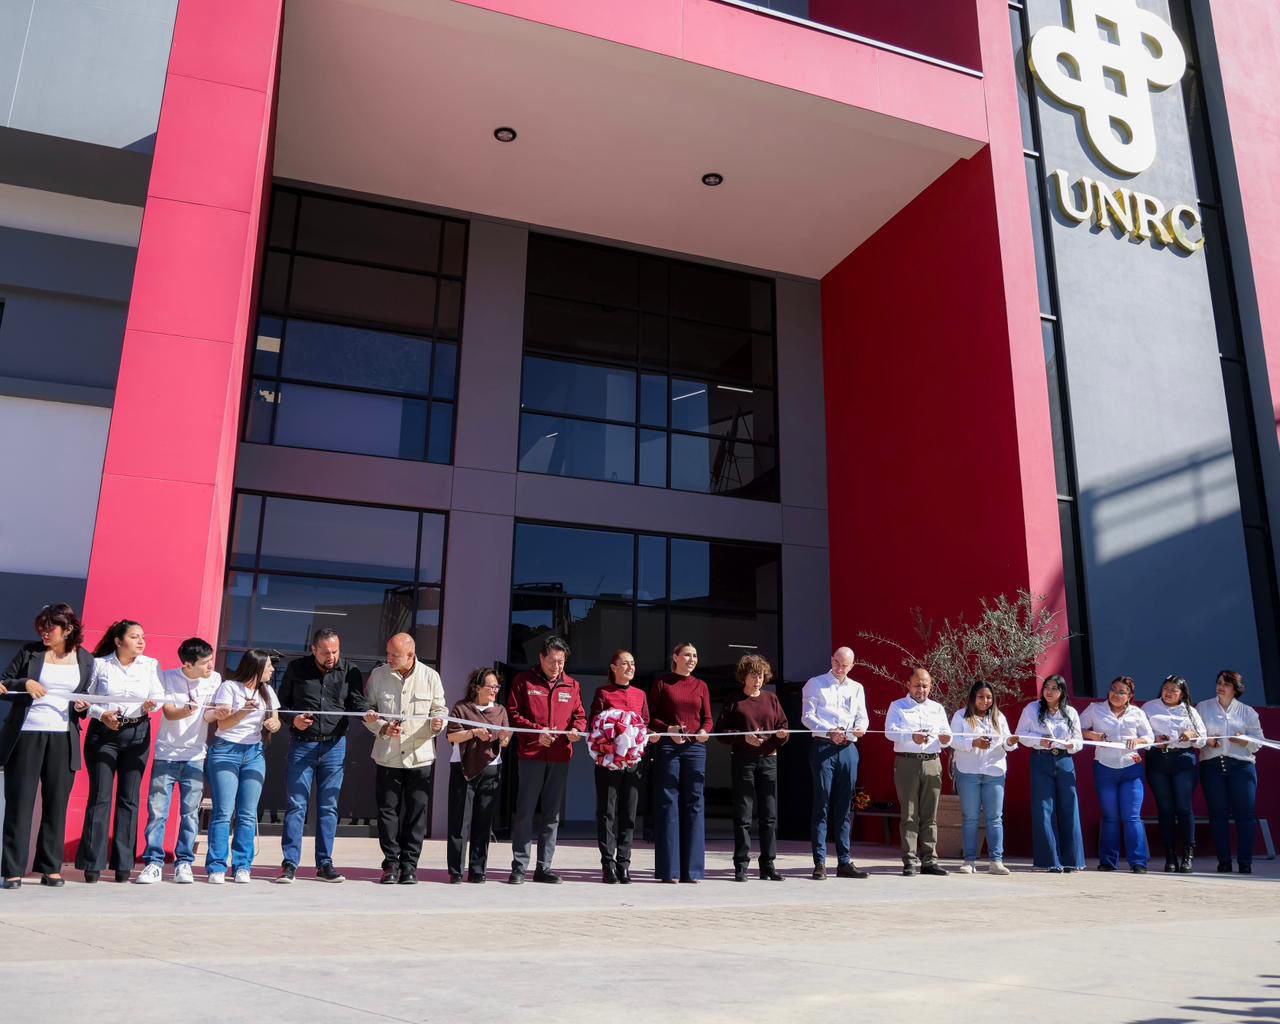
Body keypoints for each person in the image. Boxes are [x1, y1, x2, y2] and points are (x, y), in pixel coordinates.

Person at [1, 604, 94, 889]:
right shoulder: (31, 652)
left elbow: (84, 698)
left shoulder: (85, 658)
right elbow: (4, 683)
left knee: (57, 805)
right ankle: (12, 871)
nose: (43, 632)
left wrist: (82, 707)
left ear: (67, 630)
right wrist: (25, 682)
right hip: (27, 734)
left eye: (50, 627)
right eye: (41, 626)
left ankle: (50, 868)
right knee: (20, 804)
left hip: (63, 737)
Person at [275, 628, 367, 884]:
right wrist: (294, 720)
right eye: (326, 652)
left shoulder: (350, 671)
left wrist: (370, 712)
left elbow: (357, 703)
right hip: (302, 745)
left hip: (335, 746)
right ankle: (290, 864)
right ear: (313, 649)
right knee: (296, 805)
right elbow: (281, 705)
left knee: (329, 807)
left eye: (335, 651)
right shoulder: (296, 669)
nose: (331, 657)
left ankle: (325, 863)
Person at [75, 620, 164, 883]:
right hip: (103, 734)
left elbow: (158, 696)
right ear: (118, 641)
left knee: (129, 798)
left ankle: (123, 864)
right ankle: (92, 864)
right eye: (134, 637)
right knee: (100, 797)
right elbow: (84, 699)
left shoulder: (150, 665)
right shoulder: (100, 664)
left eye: (143, 637)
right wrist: (101, 714)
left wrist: (151, 705)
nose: (141, 641)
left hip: (137, 733)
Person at [136, 637, 222, 885]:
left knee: (190, 814)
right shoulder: (167, 677)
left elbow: (209, 715)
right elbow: (169, 712)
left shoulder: (214, 680)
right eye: (204, 663)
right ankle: (154, 863)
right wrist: (188, 709)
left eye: (210, 661)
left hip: (196, 756)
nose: (210, 667)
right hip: (166, 755)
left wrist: (219, 713)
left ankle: (184, 863)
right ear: (187, 664)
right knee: (158, 813)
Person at [363, 633, 446, 885]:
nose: (389, 658)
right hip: (388, 755)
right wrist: (381, 726)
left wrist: (437, 724)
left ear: (411, 655)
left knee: (416, 813)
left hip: (419, 756)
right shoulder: (378, 675)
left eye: (394, 655)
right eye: (388, 653)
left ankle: (410, 865)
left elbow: (440, 710)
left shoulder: (431, 677)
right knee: (388, 812)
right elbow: (367, 709)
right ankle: (391, 863)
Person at [506, 636, 585, 884]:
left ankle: (544, 867)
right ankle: (519, 866)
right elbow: (513, 714)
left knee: (552, 815)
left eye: (561, 662)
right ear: (541, 658)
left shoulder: (572, 685)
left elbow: (579, 715)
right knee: (525, 812)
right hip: (531, 755)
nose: (557, 666)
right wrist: (536, 731)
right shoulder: (523, 681)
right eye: (552, 661)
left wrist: (576, 731)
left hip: (560, 757)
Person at [204, 649, 280, 883]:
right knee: (224, 812)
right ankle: (217, 866)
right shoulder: (230, 687)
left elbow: (276, 719)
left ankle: (242, 866)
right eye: (268, 666)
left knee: (247, 814)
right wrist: (243, 711)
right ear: (256, 667)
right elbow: (223, 724)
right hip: (226, 750)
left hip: (254, 753)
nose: (272, 670)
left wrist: (273, 724)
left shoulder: (267, 691)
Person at [716, 654, 789, 882]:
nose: (757, 680)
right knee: (743, 813)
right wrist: (743, 738)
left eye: (761, 675)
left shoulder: (771, 699)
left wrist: (780, 737)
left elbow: (783, 726)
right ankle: (741, 864)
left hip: (769, 760)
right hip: (743, 760)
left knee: (769, 814)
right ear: (744, 676)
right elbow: (721, 733)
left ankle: (768, 863)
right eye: (753, 675)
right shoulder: (734, 700)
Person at [800, 646, 870, 880]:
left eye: (845, 665)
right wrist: (828, 731)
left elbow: (862, 716)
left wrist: (860, 729)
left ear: (852, 665)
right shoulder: (815, 683)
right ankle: (820, 862)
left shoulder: (857, 688)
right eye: (837, 663)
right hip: (823, 747)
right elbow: (807, 716)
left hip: (849, 748)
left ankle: (844, 861)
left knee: (844, 806)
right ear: (832, 660)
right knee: (822, 803)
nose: (840, 668)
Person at [649, 641, 713, 883]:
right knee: (669, 803)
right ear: (675, 657)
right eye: (687, 655)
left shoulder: (701, 685)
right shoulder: (662, 683)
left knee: (695, 804)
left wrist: (705, 731)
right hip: (668, 747)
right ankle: (670, 871)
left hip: (695, 749)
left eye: (695, 655)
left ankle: (693, 870)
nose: (692, 659)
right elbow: (651, 717)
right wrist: (669, 728)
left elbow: (707, 719)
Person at [1081, 675, 1154, 872]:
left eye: (1121, 692)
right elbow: (1076, 728)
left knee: (1132, 816)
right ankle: (1107, 861)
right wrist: (1091, 734)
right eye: (1114, 689)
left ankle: (1138, 862)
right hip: (1105, 767)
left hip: (1131, 768)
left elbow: (1149, 737)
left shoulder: (1137, 713)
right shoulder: (1095, 709)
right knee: (1110, 816)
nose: (1116, 694)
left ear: (1129, 696)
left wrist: (1137, 742)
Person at [589, 649, 650, 884]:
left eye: (632, 663)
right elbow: (595, 726)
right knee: (607, 812)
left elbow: (645, 723)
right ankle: (608, 864)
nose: (630, 667)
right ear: (613, 667)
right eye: (625, 663)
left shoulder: (640, 694)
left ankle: (624, 863)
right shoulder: (603, 692)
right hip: (608, 762)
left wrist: (646, 736)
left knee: (629, 813)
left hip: (632, 764)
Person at [885, 668, 952, 876]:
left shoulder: (937, 708)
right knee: (910, 813)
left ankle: (929, 860)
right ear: (908, 685)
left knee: (930, 814)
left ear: (930, 686)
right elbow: (889, 732)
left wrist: (945, 738)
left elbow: (947, 734)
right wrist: (910, 737)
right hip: (908, 762)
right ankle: (910, 860)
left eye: (925, 685)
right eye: (917, 685)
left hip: (932, 762)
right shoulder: (898, 706)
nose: (921, 689)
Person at [446, 668, 511, 883]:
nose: (495, 690)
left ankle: (478, 869)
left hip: (491, 767)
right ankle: (456, 870)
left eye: (496, 687)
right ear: (477, 688)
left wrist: (503, 738)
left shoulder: (500, 710)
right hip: (464, 769)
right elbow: (452, 735)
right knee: (459, 821)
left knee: (483, 822)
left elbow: (506, 738)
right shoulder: (461, 708)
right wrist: (474, 732)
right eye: (491, 686)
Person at [1016, 674, 1085, 872]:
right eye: (1047, 687)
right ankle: (1048, 860)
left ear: (1062, 691)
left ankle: (1072, 860)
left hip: (1064, 760)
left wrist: (1071, 745)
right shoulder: (1032, 708)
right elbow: (1021, 735)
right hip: (1041, 759)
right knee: (1043, 808)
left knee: (1069, 807)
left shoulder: (1070, 712)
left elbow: (1079, 740)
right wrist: (1040, 741)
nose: (1049, 691)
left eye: (1055, 688)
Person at [1197, 670, 1264, 874]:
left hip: (1241, 767)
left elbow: (1258, 742)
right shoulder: (1203, 707)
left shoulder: (1248, 711)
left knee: (1245, 815)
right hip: (1212, 765)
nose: (1221, 687)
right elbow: (1196, 736)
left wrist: (1243, 739)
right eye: (1219, 682)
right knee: (1218, 815)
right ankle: (1224, 861)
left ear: (1235, 689)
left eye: (1226, 684)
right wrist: (1208, 740)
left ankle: (1245, 862)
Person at [949, 681, 1017, 875]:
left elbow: (1007, 742)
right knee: (970, 817)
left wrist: (1010, 742)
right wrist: (974, 742)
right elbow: (953, 740)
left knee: (995, 817)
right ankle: (969, 860)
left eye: (989, 697)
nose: (985, 701)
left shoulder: (998, 717)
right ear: (973, 697)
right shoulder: (960, 716)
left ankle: (996, 860)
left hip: (994, 771)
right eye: (981, 697)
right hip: (968, 770)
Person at [1142, 675, 1207, 872]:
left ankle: (1188, 854)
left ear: (1182, 693)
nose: (1168, 693)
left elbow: (1203, 739)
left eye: (1174, 690)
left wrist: (1193, 735)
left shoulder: (1190, 711)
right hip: (1158, 760)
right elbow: (1140, 734)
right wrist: (1154, 739)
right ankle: (1170, 855)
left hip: (1183, 759)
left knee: (1184, 807)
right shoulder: (1149, 707)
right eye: (1166, 688)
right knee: (1165, 809)